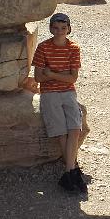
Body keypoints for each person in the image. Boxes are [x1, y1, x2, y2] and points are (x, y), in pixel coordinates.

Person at [32, 13, 86, 194]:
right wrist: (59, 76)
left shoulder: (74, 48)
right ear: (50, 29)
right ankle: (72, 170)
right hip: (49, 93)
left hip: (68, 91)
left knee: (75, 128)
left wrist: (52, 74)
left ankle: (69, 171)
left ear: (69, 29)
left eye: (63, 28)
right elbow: (39, 77)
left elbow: (73, 78)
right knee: (62, 131)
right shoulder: (42, 47)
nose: (60, 32)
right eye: (56, 28)